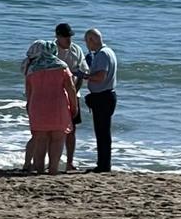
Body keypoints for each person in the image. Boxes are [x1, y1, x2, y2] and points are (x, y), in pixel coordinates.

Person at [23, 40, 79, 175]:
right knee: (58, 138)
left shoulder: (31, 69)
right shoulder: (62, 67)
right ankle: (53, 169)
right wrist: (74, 106)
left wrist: (29, 108)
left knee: (40, 139)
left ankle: (40, 169)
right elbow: (71, 89)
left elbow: (28, 93)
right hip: (58, 108)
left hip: (37, 108)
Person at [52, 23, 90, 171]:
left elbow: (83, 71)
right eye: (65, 37)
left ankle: (70, 162)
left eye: (70, 36)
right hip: (55, 95)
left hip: (74, 93)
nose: (68, 40)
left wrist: (73, 92)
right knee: (54, 129)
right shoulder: (52, 50)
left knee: (72, 129)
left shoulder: (76, 49)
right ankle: (53, 161)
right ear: (58, 36)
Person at [83, 28, 119, 173]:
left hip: (103, 97)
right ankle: (103, 163)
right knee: (103, 132)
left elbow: (101, 76)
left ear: (92, 40)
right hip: (107, 95)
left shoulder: (102, 54)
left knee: (102, 132)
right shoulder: (108, 51)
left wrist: (85, 76)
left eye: (87, 41)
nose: (87, 45)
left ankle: (103, 165)